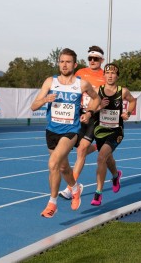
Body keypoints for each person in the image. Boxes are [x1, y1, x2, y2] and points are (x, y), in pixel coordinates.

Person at [31, 48, 100, 218]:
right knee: (62, 167)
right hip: (52, 130)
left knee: (53, 163)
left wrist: (89, 112)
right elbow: (33, 106)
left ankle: (52, 204)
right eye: (61, 61)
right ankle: (76, 188)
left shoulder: (81, 84)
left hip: (70, 130)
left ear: (74, 64)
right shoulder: (50, 82)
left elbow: (96, 98)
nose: (64, 64)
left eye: (68, 62)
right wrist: (45, 100)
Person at [58, 45, 105, 200]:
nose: (92, 61)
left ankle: (71, 187)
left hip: (95, 116)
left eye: (96, 59)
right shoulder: (80, 73)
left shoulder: (106, 76)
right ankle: (99, 146)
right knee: (77, 148)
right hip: (78, 114)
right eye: (90, 58)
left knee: (81, 150)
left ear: (101, 60)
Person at [91, 63, 136, 206]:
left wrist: (127, 112)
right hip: (100, 129)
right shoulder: (97, 90)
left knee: (101, 157)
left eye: (113, 73)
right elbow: (90, 109)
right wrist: (100, 107)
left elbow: (133, 100)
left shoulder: (122, 91)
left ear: (117, 76)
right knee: (107, 158)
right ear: (103, 75)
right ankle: (116, 175)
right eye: (107, 73)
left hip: (116, 130)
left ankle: (98, 193)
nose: (110, 76)